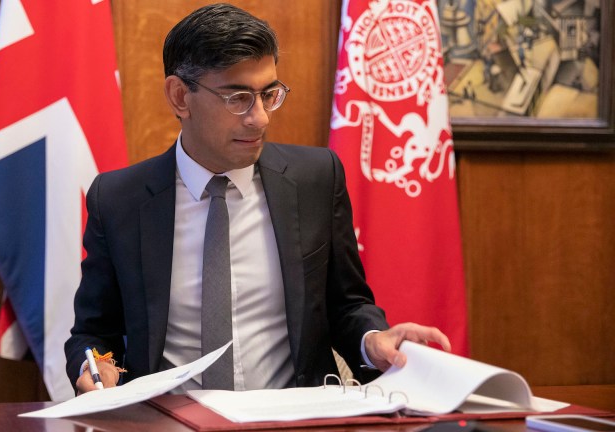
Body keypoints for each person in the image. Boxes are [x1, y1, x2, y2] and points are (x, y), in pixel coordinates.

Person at [65, 3, 450, 395]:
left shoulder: (316, 179)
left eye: (269, 94)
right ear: (180, 96)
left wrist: (372, 341)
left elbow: (346, 305)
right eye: (238, 98)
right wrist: (96, 368)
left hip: (290, 418)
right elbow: (94, 333)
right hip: (168, 421)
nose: (260, 117)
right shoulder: (118, 200)